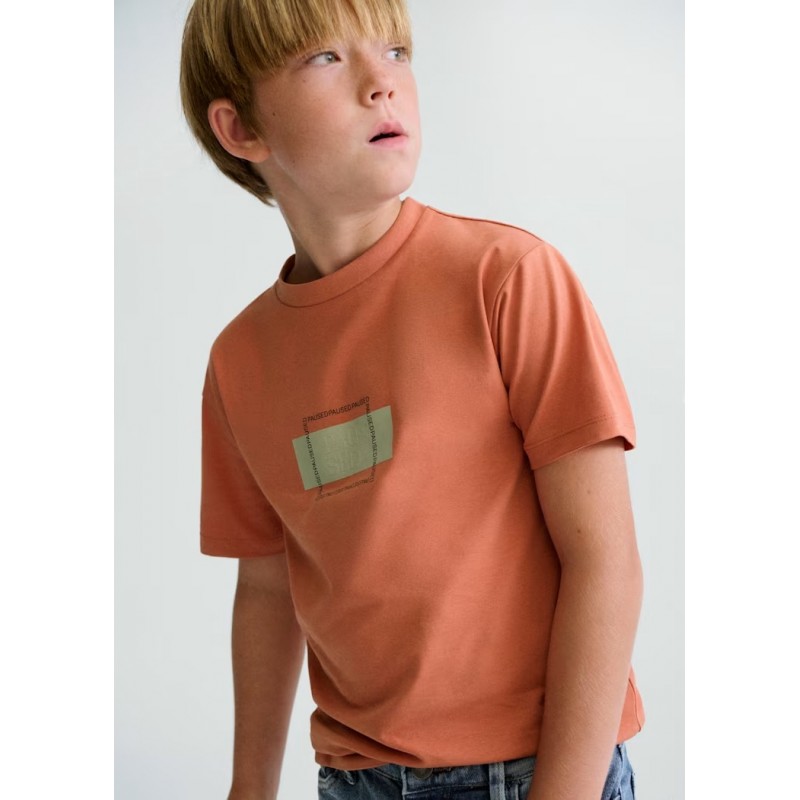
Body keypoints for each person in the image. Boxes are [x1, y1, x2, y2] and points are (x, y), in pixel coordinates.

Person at [179, 1, 645, 798]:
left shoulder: (507, 279)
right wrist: (247, 789)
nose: (380, 83)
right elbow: (266, 586)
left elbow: (606, 564)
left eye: (395, 50)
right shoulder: (239, 363)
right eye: (325, 58)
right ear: (241, 129)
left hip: (534, 771)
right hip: (355, 779)